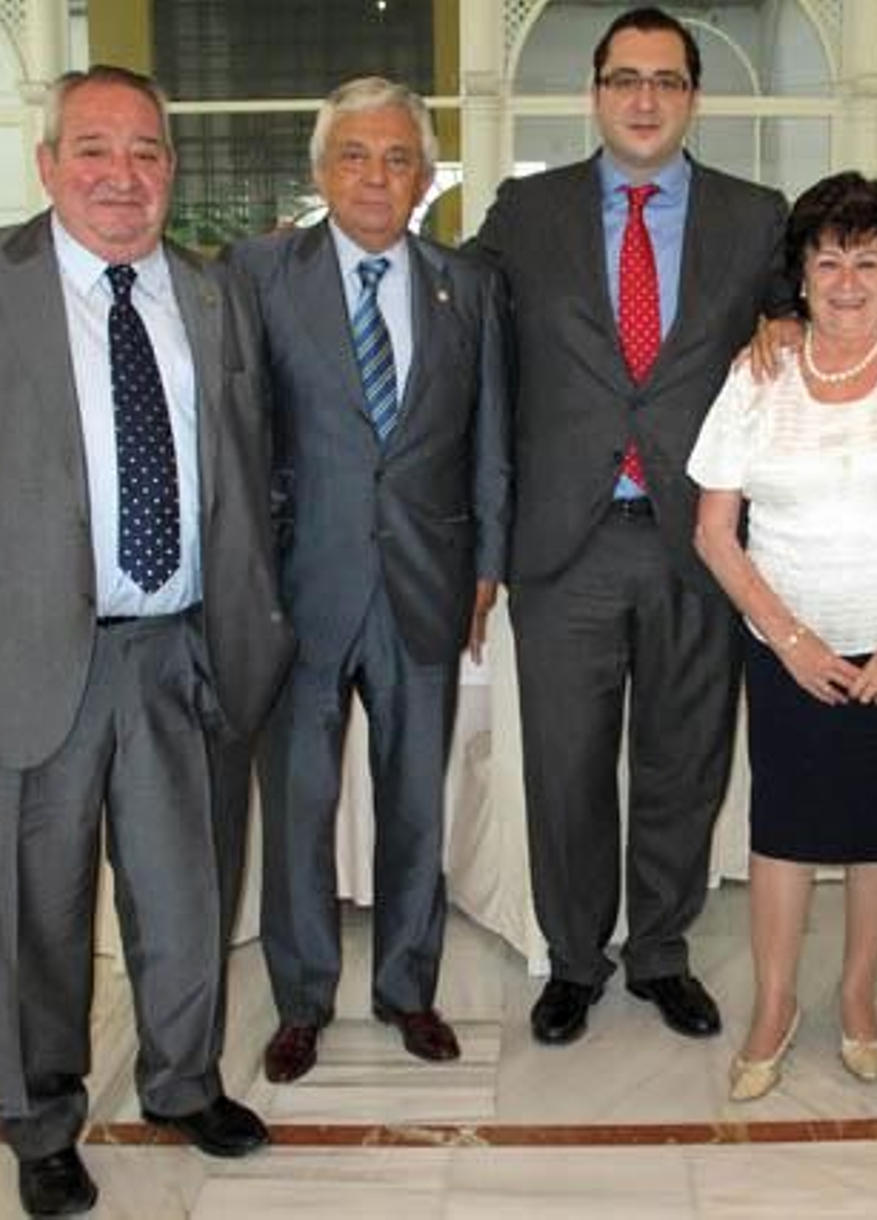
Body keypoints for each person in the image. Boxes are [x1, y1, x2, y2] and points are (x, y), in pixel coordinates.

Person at [0, 66, 295, 1217]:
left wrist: (254, 616)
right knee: (31, 909)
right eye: (94, 149)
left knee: (188, 891)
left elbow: (257, 467)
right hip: (18, 658)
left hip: (183, 653)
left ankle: (181, 1078)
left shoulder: (211, 294)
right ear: (47, 163)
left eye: (147, 152)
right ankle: (40, 1115)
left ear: (171, 169)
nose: (122, 175)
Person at [470, 5, 791, 1046]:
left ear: (692, 95)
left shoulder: (756, 216)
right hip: (564, 541)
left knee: (684, 760)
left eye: (664, 79)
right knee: (564, 766)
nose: (643, 98)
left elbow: (827, 315)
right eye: (622, 79)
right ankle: (573, 957)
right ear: (596, 94)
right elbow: (454, 315)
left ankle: (658, 949)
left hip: (696, 539)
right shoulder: (527, 211)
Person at [230, 77, 510, 1081]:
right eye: (356, 153)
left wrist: (488, 560)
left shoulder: (464, 284)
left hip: (427, 584)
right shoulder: (258, 274)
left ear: (427, 177)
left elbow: (489, 436)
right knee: (298, 806)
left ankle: (407, 987)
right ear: (321, 169)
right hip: (299, 591)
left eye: (398, 157)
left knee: (415, 805)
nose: (376, 175)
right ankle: (301, 999)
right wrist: (247, 573)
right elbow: (238, 436)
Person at [689, 172, 877, 1102]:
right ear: (803, 275)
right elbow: (712, 529)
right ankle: (774, 1005)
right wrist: (786, 638)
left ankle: (858, 994)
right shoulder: (760, 370)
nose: (848, 280)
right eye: (829, 260)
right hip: (789, 646)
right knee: (784, 830)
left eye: (868, 260)